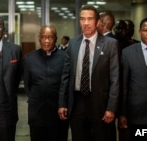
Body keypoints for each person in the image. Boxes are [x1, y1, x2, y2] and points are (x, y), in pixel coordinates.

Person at [58, 5, 120, 141]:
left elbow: (115, 79)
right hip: (77, 102)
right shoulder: (73, 43)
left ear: (98, 22)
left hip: (101, 104)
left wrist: (111, 108)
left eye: (90, 19)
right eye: (82, 19)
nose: (86, 23)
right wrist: (62, 103)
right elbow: (65, 76)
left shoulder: (110, 44)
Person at [23, 25, 69, 141]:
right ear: (39, 38)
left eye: (50, 37)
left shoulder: (65, 58)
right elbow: (27, 84)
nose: (46, 41)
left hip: (58, 112)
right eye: (43, 37)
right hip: (37, 112)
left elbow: (67, 83)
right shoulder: (30, 59)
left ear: (56, 38)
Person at [119, 17, 147, 141]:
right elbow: (123, 86)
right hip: (137, 115)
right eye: (146, 30)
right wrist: (122, 113)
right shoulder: (128, 53)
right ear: (140, 32)